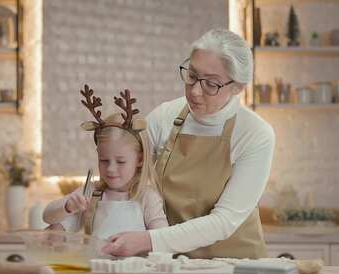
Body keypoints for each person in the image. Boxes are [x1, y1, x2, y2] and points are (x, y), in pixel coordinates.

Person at [102, 28, 275, 259]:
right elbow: (125, 172)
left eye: (210, 84)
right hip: (174, 264)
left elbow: (224, 221)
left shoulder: (255, 134)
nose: (194, 91)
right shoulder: (165, 116)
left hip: (236, 268)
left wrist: (148, 240)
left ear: (238, 87)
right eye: (191, 75)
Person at [42, 85, 168, 240]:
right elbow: (48, 217)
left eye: (120, 162)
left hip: (134, 265)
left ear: (140, 159)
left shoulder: (147, 198)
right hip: (96, 264)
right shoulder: (92, 193)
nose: (111, 169)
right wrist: (68, 206)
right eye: (104, 160)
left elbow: (161, 240)